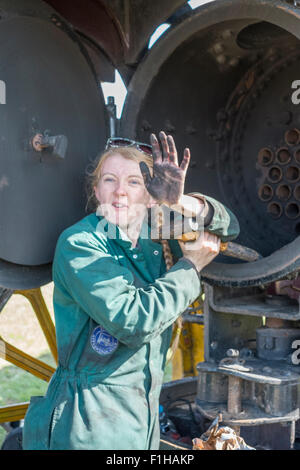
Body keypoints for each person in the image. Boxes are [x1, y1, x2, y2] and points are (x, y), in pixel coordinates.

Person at [22, 131, 240, 450]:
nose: (120, 191)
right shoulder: (80, 243)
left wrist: (181, 202)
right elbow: (133, 321)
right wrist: (191, 267)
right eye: (110, 180)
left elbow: (229, 226)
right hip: (87, 426)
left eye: (134, 182)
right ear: (96, 190)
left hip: (142, 423)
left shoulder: (157, 239)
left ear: (151, 196)